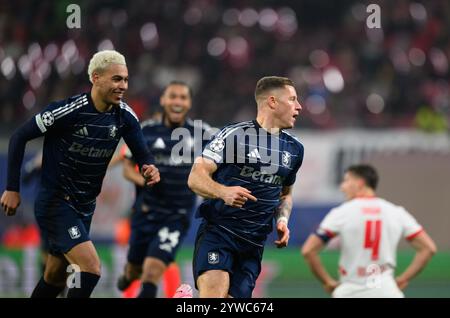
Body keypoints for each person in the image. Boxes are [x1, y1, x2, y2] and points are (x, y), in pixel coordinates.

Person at [0, 50, 160, 298]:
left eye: (126, 80)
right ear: (96, 78)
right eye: (117, 79)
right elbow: (19, 136)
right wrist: (12, 188)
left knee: (54, 278)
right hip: (56, 203)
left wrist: (149, 167)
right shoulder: (67, 111)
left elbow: (142, 153)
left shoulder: (125, 116)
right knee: (91, 268)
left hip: (85, 206)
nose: (123, 86)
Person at [187, 76, 304, 298]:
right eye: (292, 99)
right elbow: (195, 177)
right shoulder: (234, 135)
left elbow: (286, 194)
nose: (299, 106)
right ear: (272, 102)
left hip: (253, 244)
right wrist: (223, 192)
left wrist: (282, 220)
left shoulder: (295, 149)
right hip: (220, 233)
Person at [116, 81, 213, 298]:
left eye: (182, 97)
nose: (177, 102)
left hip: (176, 215)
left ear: (188, 103)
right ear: (163, 100)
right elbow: (127, 170)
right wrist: (145, 180)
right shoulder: (145, 130)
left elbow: (218, 163)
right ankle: (129, 274)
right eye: (173, 96)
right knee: (135, 269)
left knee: (152, 272)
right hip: (145, 212)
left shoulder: (202, 133)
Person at [301, 164, 437, 298]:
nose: (342, 187)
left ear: (360, 183)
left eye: (347, 181)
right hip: (385, 291)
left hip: (350, 290)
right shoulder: (396, 212)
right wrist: (403, 279)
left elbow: (308, 250)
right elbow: (428, 248)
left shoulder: (342, 212)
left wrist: (327, 281)